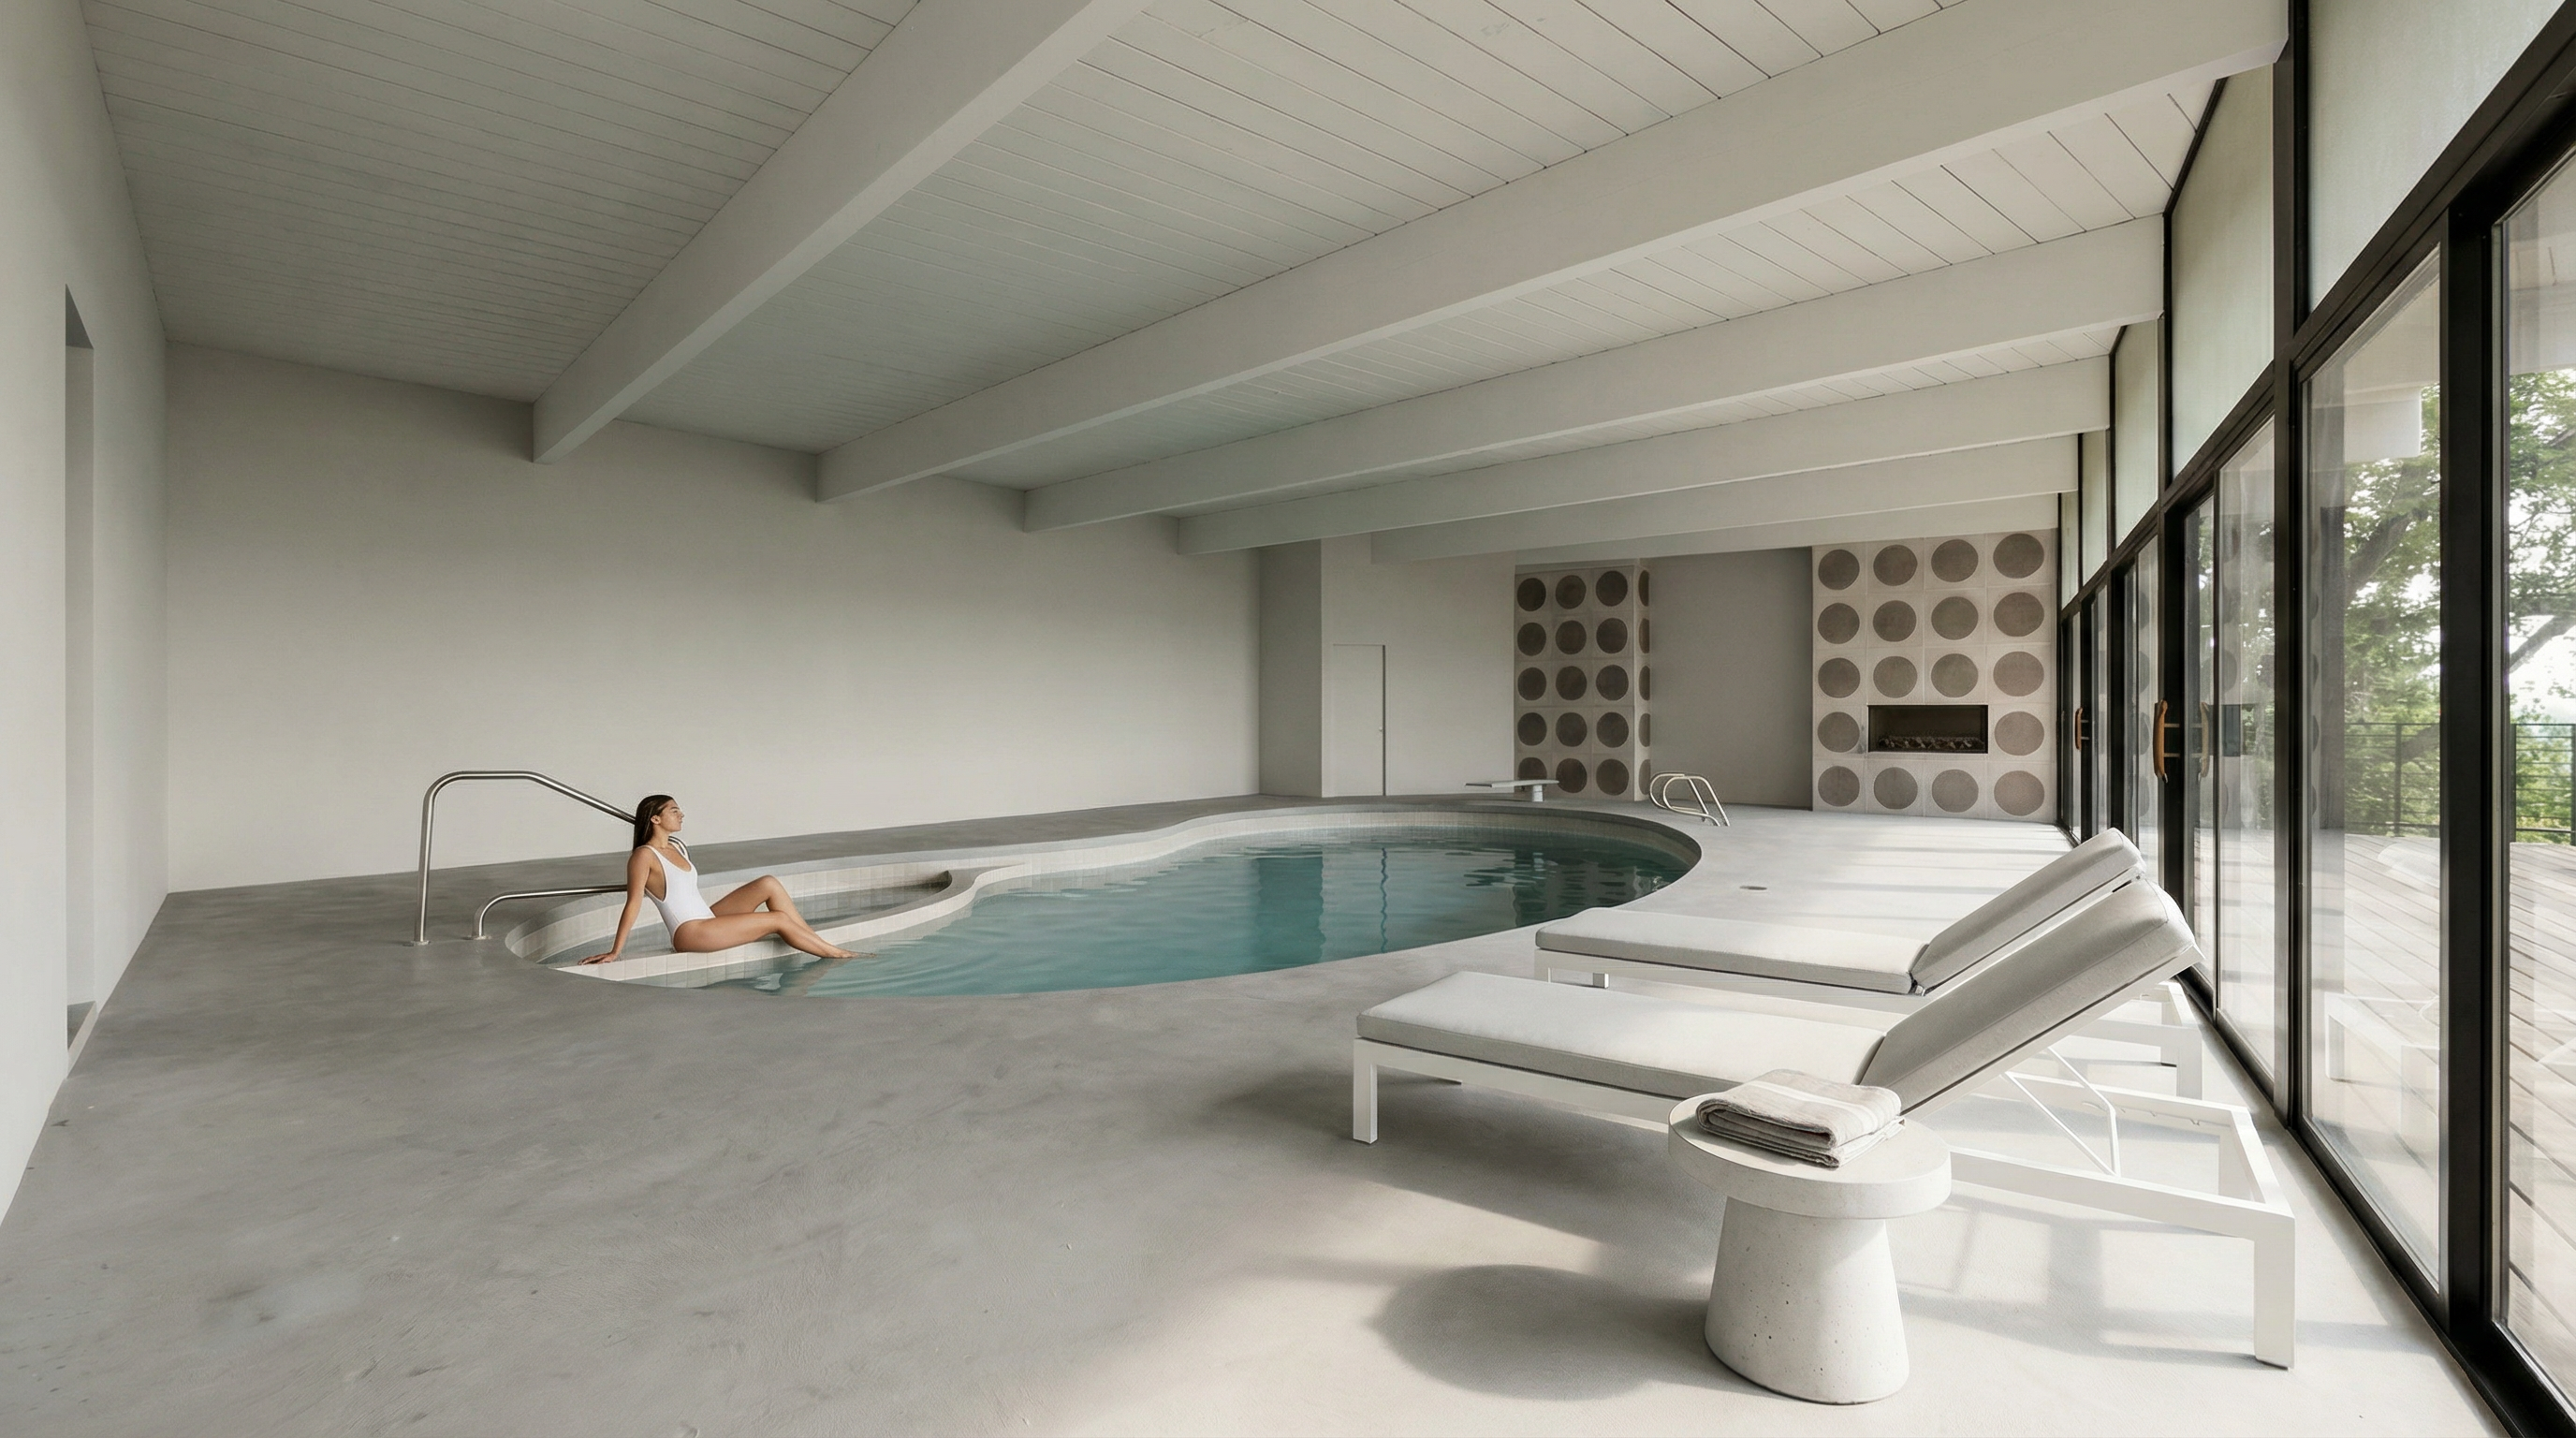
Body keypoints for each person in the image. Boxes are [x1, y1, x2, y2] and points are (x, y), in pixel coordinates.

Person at [578, 795, 854, 965]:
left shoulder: (676, 847)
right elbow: (633, 903)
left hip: (706, 919)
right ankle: (835, 954)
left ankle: (814, 940)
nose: (681, 814)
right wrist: (616, 951)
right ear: (656, 819)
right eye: (674, 810)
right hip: (690, 932)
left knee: (768, 883)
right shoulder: (643, 856)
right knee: (778, 919)